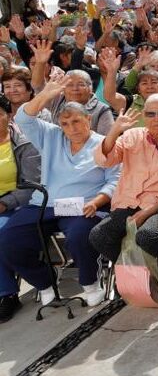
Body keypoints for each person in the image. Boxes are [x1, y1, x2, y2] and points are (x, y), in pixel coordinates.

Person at [1, 80, 119, 312]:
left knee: (79, 235)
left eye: (76, 121)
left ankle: (90, 282)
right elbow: (24, 119)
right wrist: (44, 95)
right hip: (44, 204)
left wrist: (98, 201)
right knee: (8, 239)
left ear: (88, 120)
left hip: (84, 206)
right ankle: (44, 282)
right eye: (65, 123)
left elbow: (115, 179)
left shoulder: (104, 143)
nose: (72, 127)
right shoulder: (52, 136)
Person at [90, 94, 158, 296]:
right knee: (99, 235)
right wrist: (115, 131)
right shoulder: (132, 135)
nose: (156, 119)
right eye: (150, 114)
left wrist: (148, 212)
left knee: (146, 236)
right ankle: (134, 270)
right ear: (144, 116)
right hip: (128, 202)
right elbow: (104, 160)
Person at [0, 94, 42, 322]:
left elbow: (32, 185)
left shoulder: (25, 143)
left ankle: (7, 294)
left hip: (17, 203)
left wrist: (5, 203)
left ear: (9, 115)